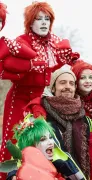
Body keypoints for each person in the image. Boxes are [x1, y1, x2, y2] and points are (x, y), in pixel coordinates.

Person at [0, 2, 79, 173]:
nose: (44, 23)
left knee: (48, 143)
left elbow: (68, 71)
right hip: (20, 100)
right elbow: (7, 67)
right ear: (30, 22)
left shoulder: (57, 44)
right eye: (38, 19)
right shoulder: (21, 42)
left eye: (47, 19)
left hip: (45, 101)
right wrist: (28, 65)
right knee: (15, 142)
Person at [24, 65, 92, 179]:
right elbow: (23, 149)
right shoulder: (39, 116)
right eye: (62, 82)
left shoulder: (86, 120)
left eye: (71, 83)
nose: (67, 87)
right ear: (53, 87)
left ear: (75, 87)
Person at [5, 115, 86, 180]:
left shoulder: (64, 168)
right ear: (31, 146)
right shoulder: (19, 174)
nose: (51, 143)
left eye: (51, 137)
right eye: (43, 139)